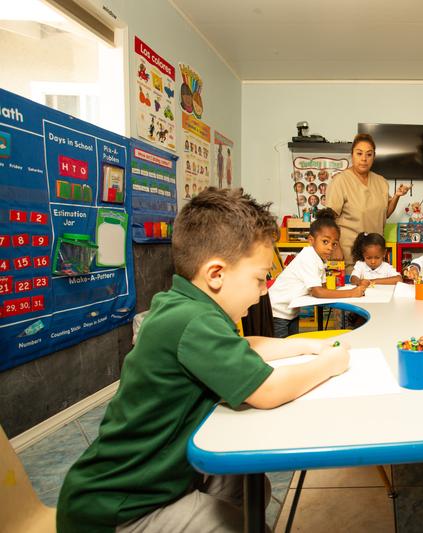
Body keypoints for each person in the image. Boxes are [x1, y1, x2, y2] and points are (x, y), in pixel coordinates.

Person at [56, 188, 350, 533]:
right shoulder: (193, 320)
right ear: (216, 274)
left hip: (154, 481)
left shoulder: (185, 304)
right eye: (258, 278)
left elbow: (243, 345)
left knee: (251, 487)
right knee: (246, 524)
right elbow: (268, 390)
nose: (263, 290)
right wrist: (331, 362)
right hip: (122, 508)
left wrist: (305, 348)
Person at [269, 208, 367, 337]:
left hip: (290, 312)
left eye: (334, 244)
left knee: (292, 343)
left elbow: (323, 288)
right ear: (311, 240)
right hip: (277, 313)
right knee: (282, 350)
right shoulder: (308, 256)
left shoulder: (319, 259)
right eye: (325, 241)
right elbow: (317, 291)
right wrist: (352, 293)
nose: (330, 247)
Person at [326, 133, 411, 272]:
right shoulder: (340, 181)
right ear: (352, 154)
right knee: (350, 291)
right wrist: (335, 247)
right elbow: (327, 220)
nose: (364, 159)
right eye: (359, 153)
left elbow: (385, 214)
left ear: (374, 157)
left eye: (369, 154)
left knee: (375, 291)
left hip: (374, 257)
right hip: (348, 255)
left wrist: (397, 196)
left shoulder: (381, 182)